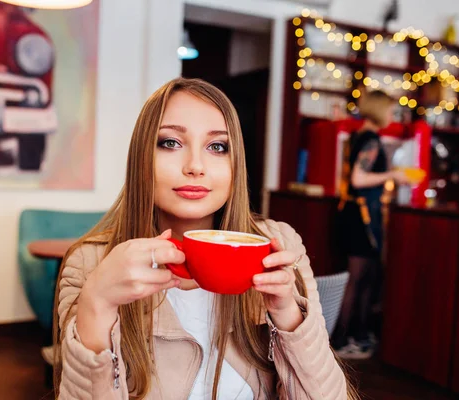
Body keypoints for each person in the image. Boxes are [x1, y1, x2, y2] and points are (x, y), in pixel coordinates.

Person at [53, 78, 357, 399]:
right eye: (170, 142)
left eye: (217, 147)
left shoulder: (279, 244)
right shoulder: (91, 263)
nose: (196, 166)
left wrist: (288, 316)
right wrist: (97, 305)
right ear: (142, 157)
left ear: (235, 163)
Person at [333, 90, 410, 359]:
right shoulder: (371, 139)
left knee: (362, 277)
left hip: (352, 214)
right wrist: (392, 175)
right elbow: (358, 179)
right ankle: (343, 338)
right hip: (362, 217)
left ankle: (356, 335)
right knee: (358, 279)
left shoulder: (358, 136)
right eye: (389, 111)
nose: (391, 116)